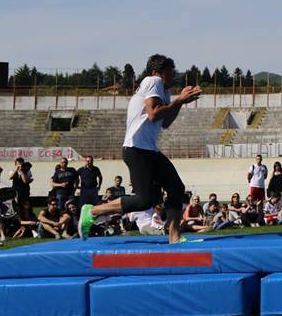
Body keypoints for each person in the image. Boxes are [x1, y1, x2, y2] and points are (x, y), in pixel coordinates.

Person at [78, 54, 203, 244]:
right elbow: (153, 114)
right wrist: (178, 101)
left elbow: (166, 122)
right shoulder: (152, 81)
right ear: (156, 72)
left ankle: (174, 237)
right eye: (169, 73)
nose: (172, 77)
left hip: (148, 149)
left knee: (176, 187)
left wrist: (180, 102)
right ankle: (93, 211)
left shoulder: (163, 91)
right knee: (143, 200)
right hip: (136, 149)